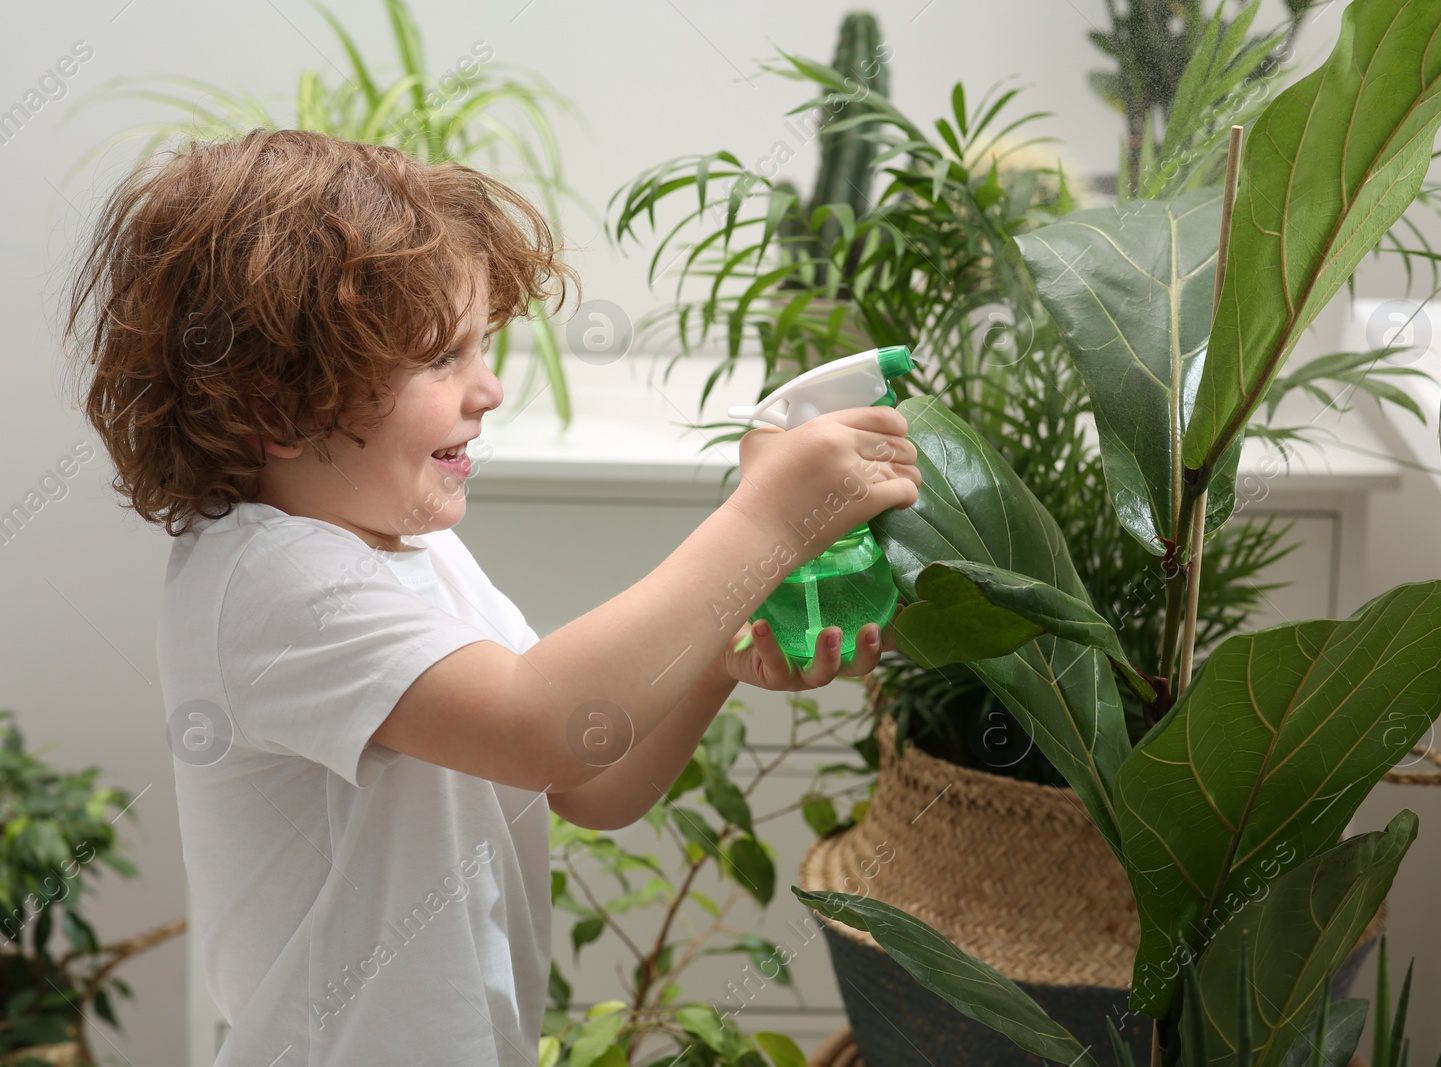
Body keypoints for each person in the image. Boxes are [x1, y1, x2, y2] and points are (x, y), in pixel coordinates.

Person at [60, 128, 920, 1065]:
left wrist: (717, 653)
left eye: (482, 349)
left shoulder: (414, 553)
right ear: (280, 406)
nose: (491, 388)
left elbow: (583, 772)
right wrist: (766, 521)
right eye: (442, 359)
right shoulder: (270, 580)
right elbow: (539, 724)